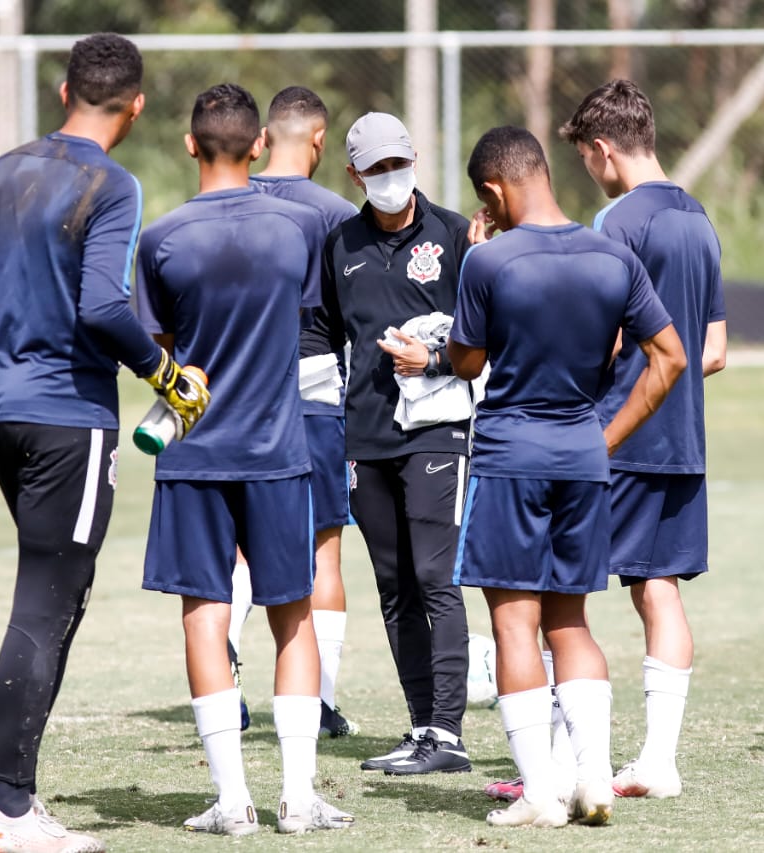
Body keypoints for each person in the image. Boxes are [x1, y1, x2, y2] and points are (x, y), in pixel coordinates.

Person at [0, 34, 210, 852]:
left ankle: (16, 800)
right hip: (67, 416)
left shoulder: (5, 171)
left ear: (63, 94)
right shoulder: (114, 184)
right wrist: (166, 376)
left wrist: (23, 321)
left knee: (53, 600)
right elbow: (101, 307)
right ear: (136, 106)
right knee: (46, 604)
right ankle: (8, 810)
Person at [449, 126, 686, 827]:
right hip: (584, 457)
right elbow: (669, 358)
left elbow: (465, 361)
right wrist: (603, 438)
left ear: (492, 191)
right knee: (571, 620)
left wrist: (475, 259)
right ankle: (594, 778)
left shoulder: (488, 261)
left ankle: (540, 794)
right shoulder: (613, 255)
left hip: (510, 455)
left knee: (514, 623)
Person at [136, 83, 353, 836]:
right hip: (277, 448)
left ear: (190, 145)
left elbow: (162, 352)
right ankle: (298, 798)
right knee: (291, 614)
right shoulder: (297, 230)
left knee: (206, 613)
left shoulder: (160, 238)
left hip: (193, 454)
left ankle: (232, 802)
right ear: (258, 144)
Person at [560, 78, 726, 800]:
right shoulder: (699, 218)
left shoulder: (615, 222)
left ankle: (569, 764)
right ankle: (658, 761)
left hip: (617, 436)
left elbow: (603, 338)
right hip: (682, 438)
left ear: (602, 150)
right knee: (659, 589)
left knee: (562, 593)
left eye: (586, 160)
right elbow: (713, 349)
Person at [318, 112, 473, 775]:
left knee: (437, 576)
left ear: (414, 158)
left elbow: (485, 333)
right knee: (394, 585)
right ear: (354, 174)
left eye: (397, 164)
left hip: (438, 428)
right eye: (375, 169)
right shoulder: (340, 242)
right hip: (367, 436)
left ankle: (450, 732)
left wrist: (431, 360)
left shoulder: (458, 235)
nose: (389, 178)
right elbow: (325, 333)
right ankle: (421, 726)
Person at [251, 85, 361, 739]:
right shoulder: (336, 214)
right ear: (318, 139)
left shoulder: (230, 202)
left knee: (238, 547)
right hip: (317, 387)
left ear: (264, 137)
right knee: (324, 550)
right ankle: (316, 699)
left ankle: (225, 673)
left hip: (240, 394)